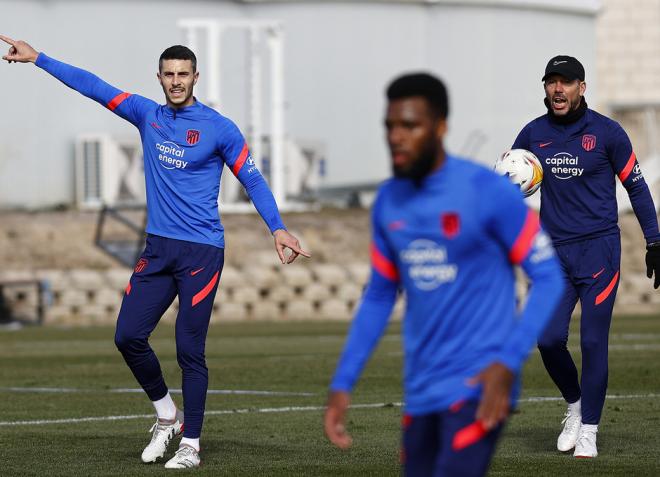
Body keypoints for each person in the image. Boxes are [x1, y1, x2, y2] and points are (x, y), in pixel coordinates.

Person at [1, 35, 310, 469]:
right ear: (160, 78)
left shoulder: (220, 127)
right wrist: (39, 59)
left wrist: (277, 228)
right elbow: (93, 86)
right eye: (169, 74)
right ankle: (167, 415)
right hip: (158, 250)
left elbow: (253, 179)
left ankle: (192, 444)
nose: (177, 81)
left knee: (189, 349)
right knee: (127, 335)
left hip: (202, 253)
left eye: (184, 74)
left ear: (195, 77)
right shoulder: (147, 114)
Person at [324, 72, 564, 477]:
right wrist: (343, 381)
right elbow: (381, 295)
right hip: (421, 391)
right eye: (390, 126)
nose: (397, 137)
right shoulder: (389, 201)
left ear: (440, 127)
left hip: (480, 385)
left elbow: (549, 277)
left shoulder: (488, 192)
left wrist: (508, 362)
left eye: (410, 126)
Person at [511, 55, 660, 458]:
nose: (558, 89)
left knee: (593, 341)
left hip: (599, 252)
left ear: (582, 87)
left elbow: (638, 188)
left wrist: (655, 240)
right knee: (547, 338)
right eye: (551, 82)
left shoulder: (608, 134)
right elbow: (508, 186)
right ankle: (575, 406)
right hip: (553, 256)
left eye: (566, 82)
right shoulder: (532, 134)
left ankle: (590, 429)